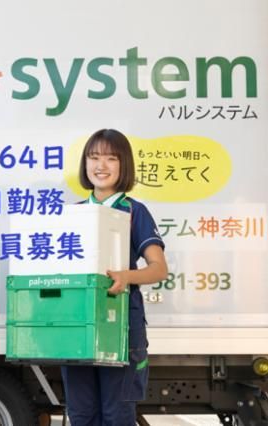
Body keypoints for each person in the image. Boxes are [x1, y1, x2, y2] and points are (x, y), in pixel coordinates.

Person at [61, 128, 168, 425]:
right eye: (94, 157)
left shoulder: (134, 211)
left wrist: (125, 276)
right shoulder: (72, 214)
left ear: (124, 165)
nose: (101, 165)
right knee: (81, 415)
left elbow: (159, 268)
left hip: (122, 328)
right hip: (77, 326)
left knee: (117, 416)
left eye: (111, 158)